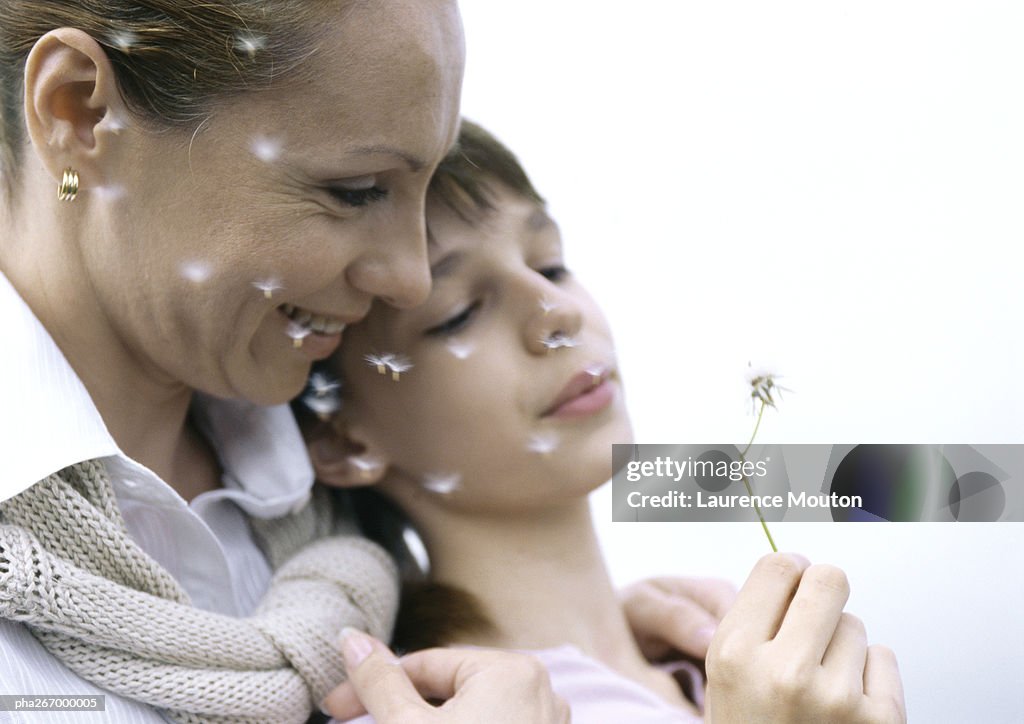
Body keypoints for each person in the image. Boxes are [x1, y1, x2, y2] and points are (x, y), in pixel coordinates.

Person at [0, 3, 734, 723]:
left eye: (555, 262)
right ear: (79, 113)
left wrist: (619, 665)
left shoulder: (339, 552)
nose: (410, 279)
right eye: (354, 192)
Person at [308, 121, 908, 723]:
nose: (558, 312)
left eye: (551, 264)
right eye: (459, 314)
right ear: (340, 437)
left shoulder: (728, 684)